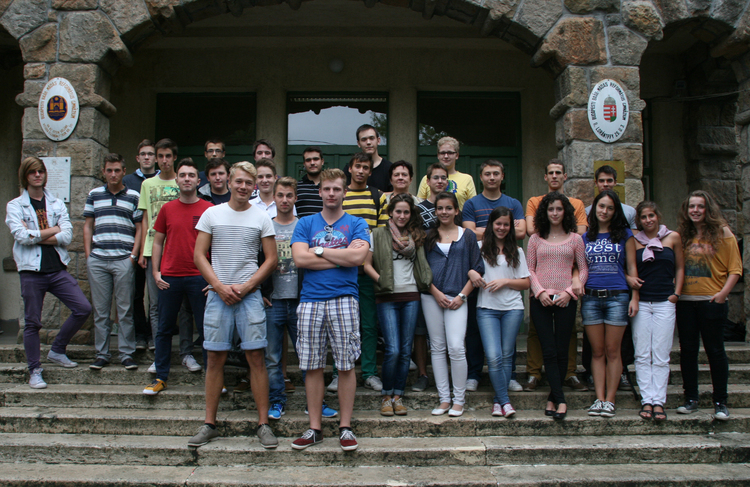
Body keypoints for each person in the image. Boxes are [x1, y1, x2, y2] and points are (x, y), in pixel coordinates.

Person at [190, 161, 279, 449]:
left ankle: (263, 424)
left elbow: (271, 259)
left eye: (248, 182)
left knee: (256, 357)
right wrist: (218, 286)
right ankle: (209, 424)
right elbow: (199, 255)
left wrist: (249, 286)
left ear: (254, 186)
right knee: (215, 359)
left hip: (249, 296)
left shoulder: (261, 217)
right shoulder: (211, 213)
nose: (243, 186)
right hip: (218, 295)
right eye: (238, 181)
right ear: (229, 182)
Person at [290, 168, 370, 451]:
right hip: (310, 300)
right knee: (312, 365)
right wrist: (342, 256)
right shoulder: (305, 223)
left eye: (337, 189)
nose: (332, 193)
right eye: (327, 189)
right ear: (320, 191)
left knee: (346, 365)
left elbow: (359, 257)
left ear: (344, 192)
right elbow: (300, 260)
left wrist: (320, 251)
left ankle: (345, 428)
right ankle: (315, 429)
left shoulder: (357, 223)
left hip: (344, 298)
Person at [5, 157, 92, 389]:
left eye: (40, 171)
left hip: (56, 269)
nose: (37, 175)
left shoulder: (55, 203)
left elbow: (67, 236)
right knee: (32, 323)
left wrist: (36, 234)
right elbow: (21, 236)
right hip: (31, 272)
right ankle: (34, 370)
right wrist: (53, 230)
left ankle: (57, 349)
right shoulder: (15, 205)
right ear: (25, 176)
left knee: (83, 308)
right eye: (32, 172)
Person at [143, 158, 213, 395]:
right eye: (182, 175)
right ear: (177, 180)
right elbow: (157, 242)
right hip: (170, 277)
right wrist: (156, 271)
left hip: (199, 277)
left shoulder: (208, 209)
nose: (186, 179)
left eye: (191, 175)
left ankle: (213, 380)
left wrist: (213, 279)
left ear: (198, 180)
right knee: (164, 329)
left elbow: (215, 245)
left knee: (206, 329)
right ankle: (161, 377)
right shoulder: (167, 209)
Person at [675, 190, 742, 421]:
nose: (695, 210)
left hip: (712, 301)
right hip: (686, 302)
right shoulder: (682, 235)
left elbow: (735, 269)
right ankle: (690, 398)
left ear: (708, 209)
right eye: (692, 206)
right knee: (688, 351)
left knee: (715, 351)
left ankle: (720, 402)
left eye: (700, 206)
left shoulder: (723, 233)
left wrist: (723, 294)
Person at [364, 193, 432, 416]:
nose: (402, 216)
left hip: (411, 296)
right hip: (387, 297)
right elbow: (366, 264)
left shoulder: (416, 235)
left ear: (411, 214)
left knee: (404, 350)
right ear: (390, 213)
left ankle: (398, 395)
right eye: (398, 211)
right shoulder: (377, 234)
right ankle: (386, 395)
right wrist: (380, 280)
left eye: (406, 212)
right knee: (392, 349)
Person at [523, 159, 588, 393]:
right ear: (545, 176)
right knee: (536, 332)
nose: (554, 176)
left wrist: (571, 289)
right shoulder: (534, 202)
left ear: (564, 176)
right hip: (541, 289)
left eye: (558, 172)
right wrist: (539, 291)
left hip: (566, 282)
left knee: (568, 333)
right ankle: (534, 373)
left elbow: (580, 234)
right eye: (550, 172)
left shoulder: (576, 204)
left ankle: (569, 373)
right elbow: (532, 231)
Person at [462, 159, 526, 393]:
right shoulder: (472, 203)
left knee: (507, 341)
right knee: (475, 330)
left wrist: (483, 230)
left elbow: (521, 231)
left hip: (507, 275)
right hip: (481, 274)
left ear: (502, 176)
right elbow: (468, 233)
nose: (491, 177)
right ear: (481, 177)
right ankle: (474, 374)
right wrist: (488, 232)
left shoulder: (513, 203)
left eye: (496, 173)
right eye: (487, 173)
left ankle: (510, 376)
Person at [422, 191, 484, 417]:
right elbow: (421, 269)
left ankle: (459, 400)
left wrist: (462, 296)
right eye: (440, 208)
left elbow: (477, 267)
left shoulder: (467, 235)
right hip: (432, 297)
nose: (444, 212)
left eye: (449, 208)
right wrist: (435, 293)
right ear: (435, 211)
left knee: (457, 347)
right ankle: (444, 399)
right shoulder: (427, 236)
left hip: (459, 297)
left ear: (456, 210)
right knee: (437, 348)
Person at [581, 190, 639, 418]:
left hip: (617, 297)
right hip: (591, 298)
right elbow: (580, 267)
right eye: (601, 206)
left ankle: (610, 400)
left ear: (616, 212)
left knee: (613, 351)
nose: (604, 211)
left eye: (610, 208)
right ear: (594, 208)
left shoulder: (625, 234)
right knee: (597, 352)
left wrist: (635, 297)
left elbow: (632, 268)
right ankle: (599, 398)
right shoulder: (586, 236)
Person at [84, 153, 143, 371]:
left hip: (123, 259)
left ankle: (127, 354)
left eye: (117, 170)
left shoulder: (134, 196)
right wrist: (89, 255)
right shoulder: (94, 195)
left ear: (124, 171)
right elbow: (88, 226)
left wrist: (133, 256)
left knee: (125, 310)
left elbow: (140, 228)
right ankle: (102, 354)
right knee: (101, 311)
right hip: (98, 259)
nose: (113, 174)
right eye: (109, 170)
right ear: (103, 172)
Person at [631, 201, 684, 422]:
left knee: (661, 354)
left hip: (665, 301)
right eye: (643, 217)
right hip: (642, 302)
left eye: (651, 216)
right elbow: (629, 269)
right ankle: (647, 399)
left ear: (658, 216)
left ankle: (659, 401)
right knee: (642, 354)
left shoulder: (673, 238)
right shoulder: (634, 240)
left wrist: (676, 293)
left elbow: (680, 267)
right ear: (639, 220)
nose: (648, 220)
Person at [475, 207, 530, 418]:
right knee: (493, 356)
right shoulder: (479, 248)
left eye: (506, 224)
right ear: (491, 224)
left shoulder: (517, 251)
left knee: (507, 356)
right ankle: (505, 400)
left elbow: (526, 283)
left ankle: (499, 402)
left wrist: (505, 281)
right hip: (486, 309)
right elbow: (469, 269)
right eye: (498, 223)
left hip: (512, 309)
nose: (502, 228)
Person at [342, 152, 388, 392]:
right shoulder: (340, 194)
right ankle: (340, 372)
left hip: (367, 272)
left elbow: (382, 235)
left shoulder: (378, 196)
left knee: (369, 325)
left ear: (370, 171)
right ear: (350, 169)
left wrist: (367, 262)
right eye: (357, 166)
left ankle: (369, 372)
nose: (361, 171)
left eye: (365, 167)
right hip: (341, 272)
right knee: (341, 325)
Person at [264, 177, 303, 420]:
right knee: (272, 357)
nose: (285, 200)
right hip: (273, 301)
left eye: (289, 195)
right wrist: (260, 291)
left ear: (295, 198)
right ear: (274, 198)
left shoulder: (304, 225)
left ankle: (315, 402)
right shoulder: (265, 226)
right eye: (280, 195)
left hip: (300, 300)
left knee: (308, 354)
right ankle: (277, 401)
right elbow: (256, 260)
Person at [137, 138, 179, 363]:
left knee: (178, 304)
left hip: (177, 249)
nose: (164, 160)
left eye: (168, 156)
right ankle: (157, 349)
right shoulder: (147, 184)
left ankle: (179, 350)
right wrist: (144, 251)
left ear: (174, 158)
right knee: (154, 303)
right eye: (160, 156)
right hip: (154, 249)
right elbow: (145, 219)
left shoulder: (181, 181)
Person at [411, 162, 449, 392]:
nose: (440, 181)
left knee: (448, 331)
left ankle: (447, 374)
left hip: (449, 277)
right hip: (422, 275)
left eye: (443, 177)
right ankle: (423, 374)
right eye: (435, 177)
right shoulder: (418, 209)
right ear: (428, 181)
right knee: (420, 329)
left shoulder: (452, 206)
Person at [123, 139, 159, 351]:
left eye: (150, 154)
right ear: (137, 158)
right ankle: (140, 334)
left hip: (156, 246)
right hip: (133, 244)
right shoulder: (128, 181)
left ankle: (155, 334)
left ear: (156, 158)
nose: (147, 157)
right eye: (143, 154)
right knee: (136, 293)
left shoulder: (164, 180)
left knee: (156, 297)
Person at [417, 136, 476, 209]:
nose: (446, 156)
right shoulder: (426, 178)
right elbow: (420, 205)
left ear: (457, 155)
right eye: (442, 153)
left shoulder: (467, 179)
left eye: (450, 153)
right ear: (438, 155)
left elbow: (472, 206)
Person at [585, 165, 637, 230]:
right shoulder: (587, 212)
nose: (605, 184)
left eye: (609, 181)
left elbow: (634, 235)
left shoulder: (630, 211)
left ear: (615, 182)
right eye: (601, 181)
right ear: (596, 183)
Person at [344, 124, 392, 192]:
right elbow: (344, 193)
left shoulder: (389, 168)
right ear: (358, 143)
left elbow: (394, 194)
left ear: (378, 141)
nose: (368, 142)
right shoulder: (350, 168)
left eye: (371, 138)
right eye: (364, 139)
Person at [295, 147, 325, 218]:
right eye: (308, 160)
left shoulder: (331, 187)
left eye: (316, 159)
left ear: (322, 161)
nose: (312, 163)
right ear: (304, 164)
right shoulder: (296, 187)